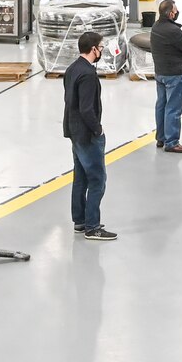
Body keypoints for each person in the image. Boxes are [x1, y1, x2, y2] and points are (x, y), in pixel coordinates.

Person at [61, 29, 115, 240]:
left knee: (80, 179)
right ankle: (92, 227)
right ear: (93, 49)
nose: (101, 51)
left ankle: (80, 221)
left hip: (74, 132)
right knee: (97, 180)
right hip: (87, 135)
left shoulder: (72, 69)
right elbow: (86, 108)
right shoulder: (88, 75)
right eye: (100, 48)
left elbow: (69, 103)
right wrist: (97, 129)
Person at [150, 0, 182, 154]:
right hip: (175, 74)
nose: (177, 12)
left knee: (161, 105)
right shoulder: (173, 31)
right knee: (173, 108)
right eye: (175, 10)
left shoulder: (156, 27)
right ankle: (172, 142)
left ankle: (161, 138)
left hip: (160, 73)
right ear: (170, 13)